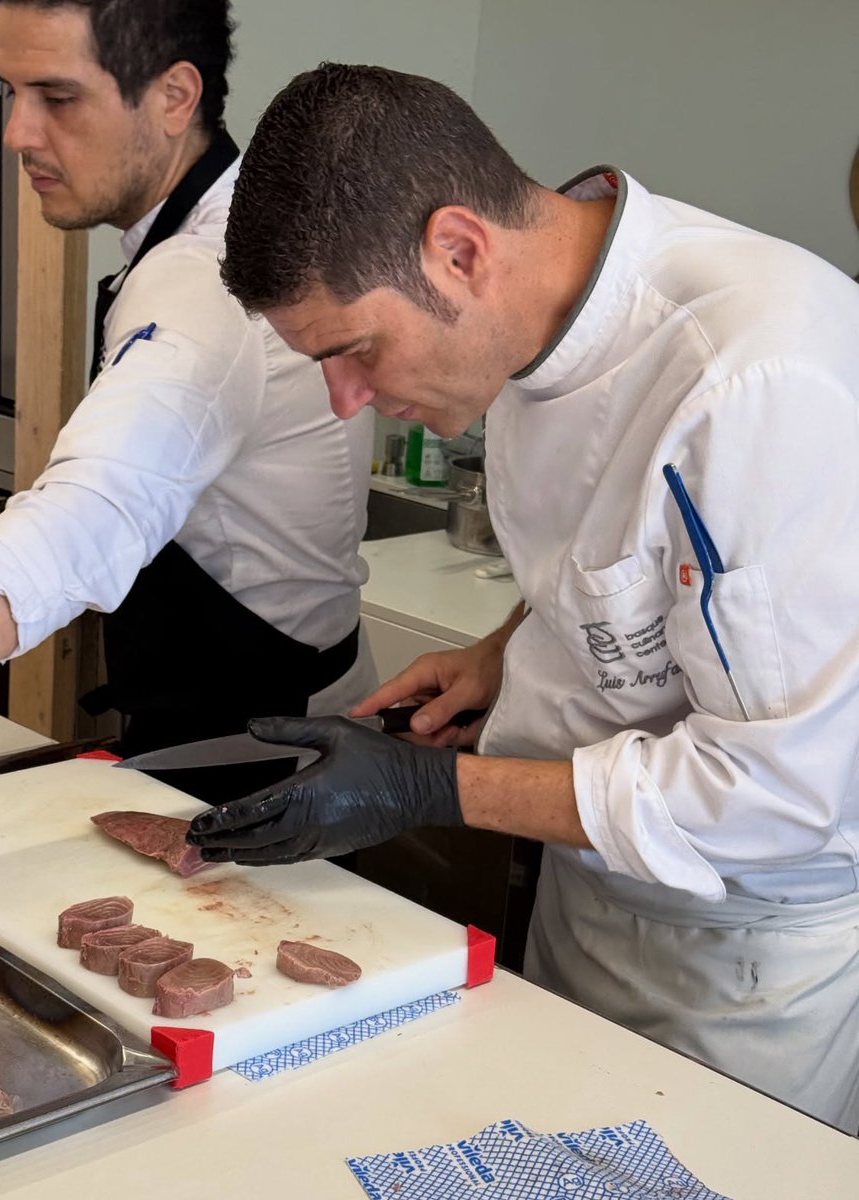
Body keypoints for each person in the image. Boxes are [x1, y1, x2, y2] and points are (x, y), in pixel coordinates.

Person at [189, 63, 859, 1131]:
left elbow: (775, 790)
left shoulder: (758, 380)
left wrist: (431, 792)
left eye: (354, 351)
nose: (344, 399)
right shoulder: (527, 339)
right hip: (588, 899)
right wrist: (509, 648)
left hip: (744, 969)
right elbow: (634, 558)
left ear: (460, 251)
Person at [0, 5, 376, 803]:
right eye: (11, 91)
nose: (17, 133)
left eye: (57, 98)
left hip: (261, 761)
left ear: (174, 96)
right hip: (231, 724)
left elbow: (73, 531)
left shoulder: (207, 283)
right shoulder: (216, 231)